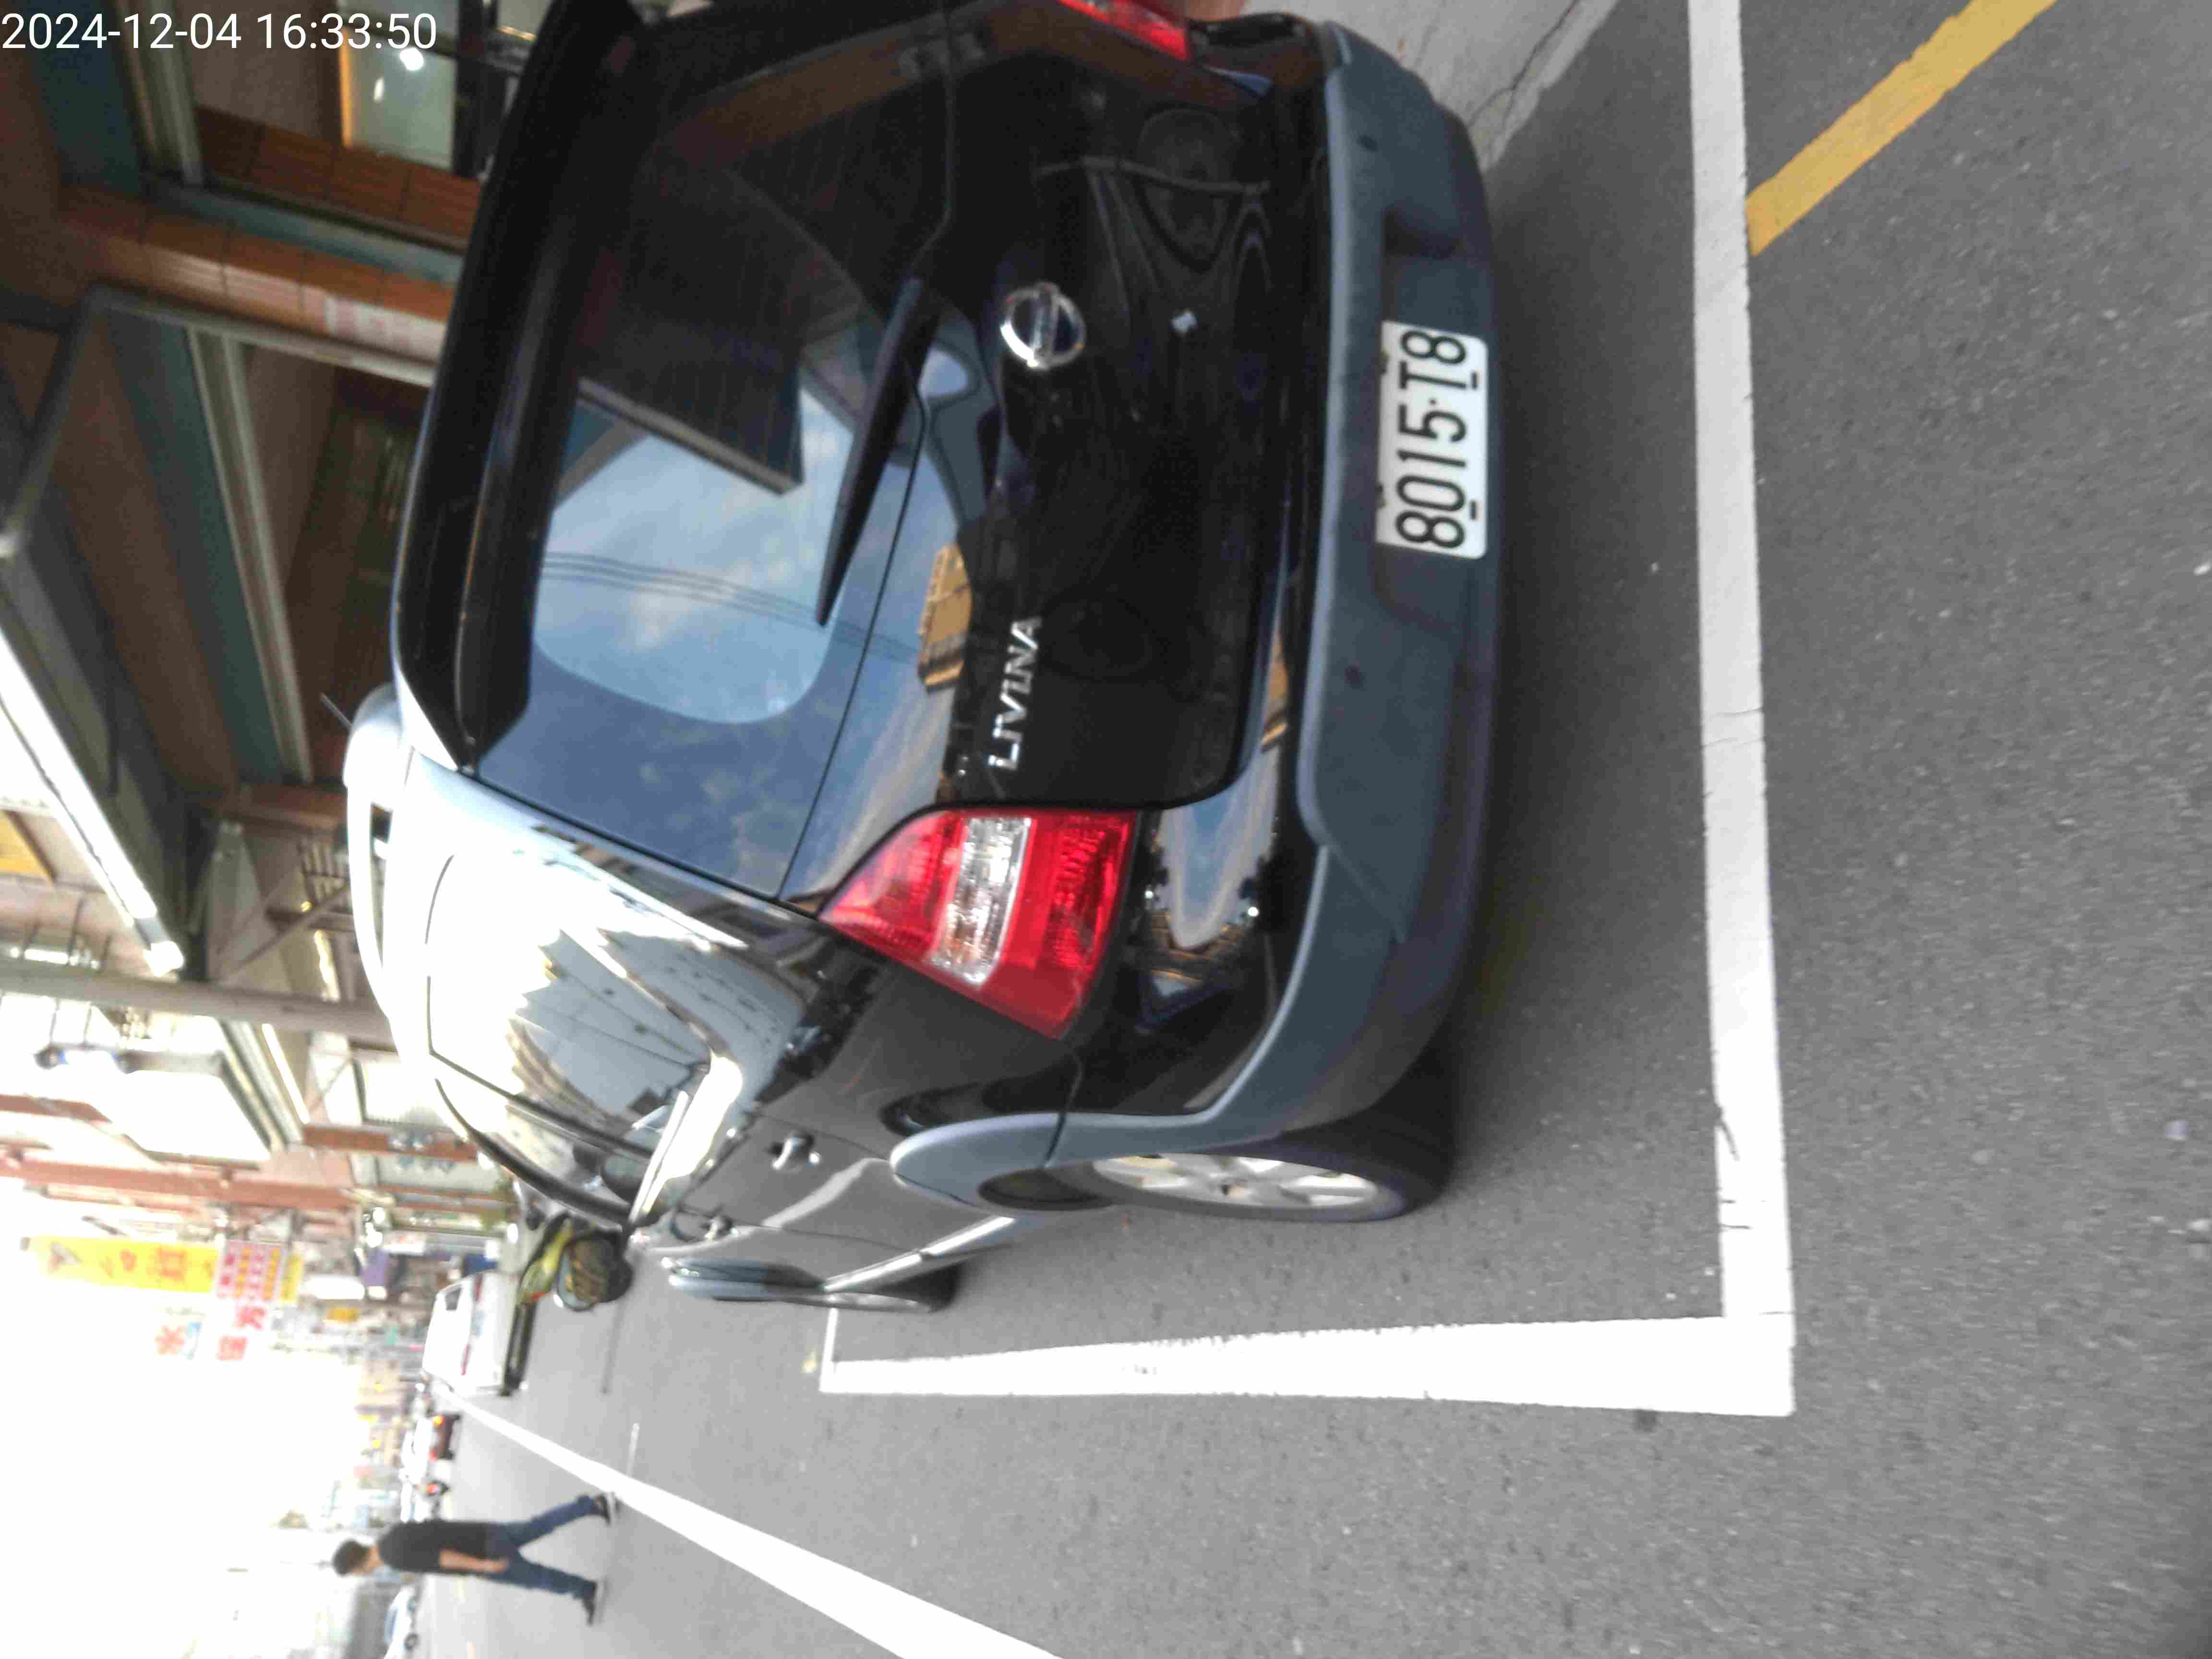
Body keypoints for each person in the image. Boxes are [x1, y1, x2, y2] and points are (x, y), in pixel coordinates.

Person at [332, 1491, 619, 1623]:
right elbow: (435, 1529)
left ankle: (586, 1589)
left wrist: (484, 1565)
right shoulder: (391, 1536)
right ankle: (591, 1505)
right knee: (539, 1526)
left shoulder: (394, 1557)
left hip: (483, 1553)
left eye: (355, 1573)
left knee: (537, 1578)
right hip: (482, 1533)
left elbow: (440, 1558)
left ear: (356, 1566)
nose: (359, 1576)